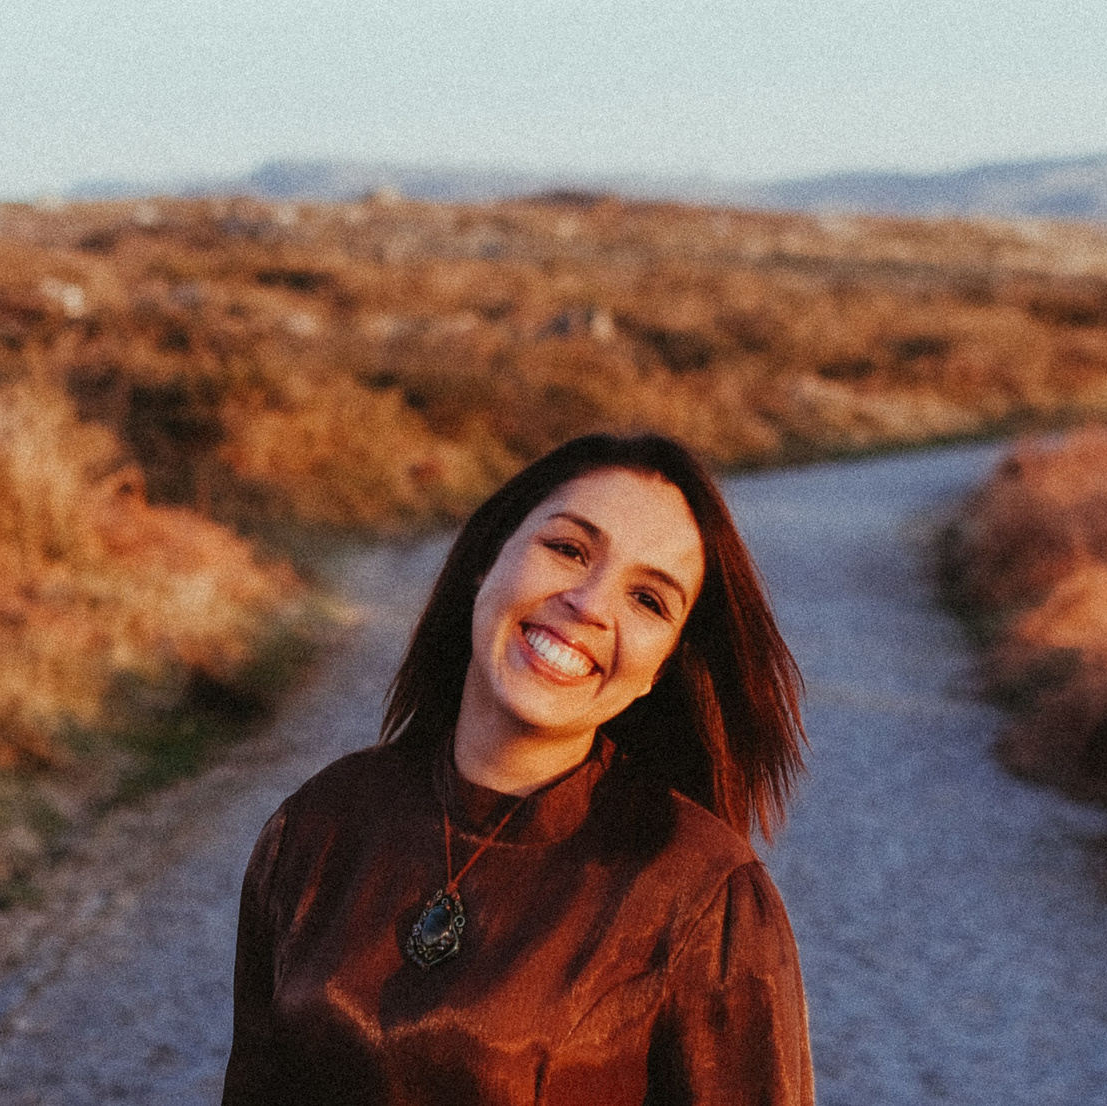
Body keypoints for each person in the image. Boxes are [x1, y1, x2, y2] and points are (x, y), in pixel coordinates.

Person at [222, 432, 812, 1105]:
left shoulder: (704, 896)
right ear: (488, 556)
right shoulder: (318, 826)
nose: (590, 605)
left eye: (649, 600)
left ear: (663, 666)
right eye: (568, 549)